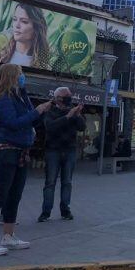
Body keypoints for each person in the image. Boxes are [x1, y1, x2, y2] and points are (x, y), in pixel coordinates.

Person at [0, 64, 52, 256]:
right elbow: (13, 123)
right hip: (6, 150)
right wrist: (36, 111)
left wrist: (40, 112)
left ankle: (8, 235)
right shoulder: (2, 97)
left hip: (21, 150)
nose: (23, 77)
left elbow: (30, 120)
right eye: (20, 74)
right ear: (12, 76)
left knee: (15, 195)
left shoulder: (21, 95)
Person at [38, 87, 85, 223]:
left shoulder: (72, 109)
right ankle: (46, 212)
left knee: (67, 182)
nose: (68, 98)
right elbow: (50, 127)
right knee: (50, 182)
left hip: (69, 149)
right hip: (53, 150)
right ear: (58, 97)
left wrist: (77, 115)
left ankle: (66, 210)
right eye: (66, 96)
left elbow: (82, 127)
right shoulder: (50, 110)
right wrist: (67, 117)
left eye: (69, 96)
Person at [0, 3, 50, 69]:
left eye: (24, 21)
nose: (17, 25)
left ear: (36, 27)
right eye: (15, 19)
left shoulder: (43, 64)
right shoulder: (1, 54)